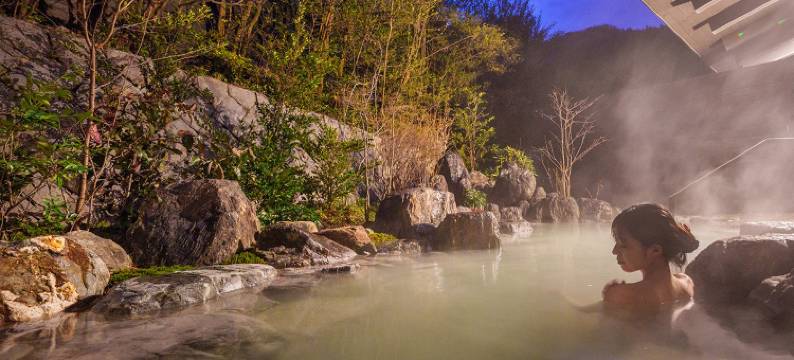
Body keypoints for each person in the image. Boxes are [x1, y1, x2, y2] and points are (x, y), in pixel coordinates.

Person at [602, 203, 700, 319]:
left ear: (655, 250)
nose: (614, 251)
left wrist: (609, 296)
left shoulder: (622, 295)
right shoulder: (687, 284)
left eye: (623, 245)